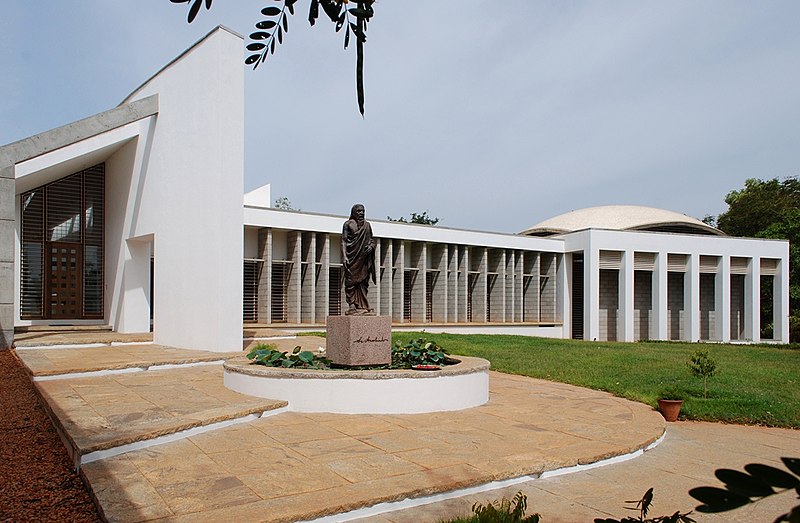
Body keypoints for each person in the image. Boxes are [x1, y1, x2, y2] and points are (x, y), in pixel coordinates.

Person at [341, 204, 376, 314]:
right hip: (352, 257)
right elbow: (344, 241)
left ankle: (362, 305)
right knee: (350, 281)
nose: (361, 213)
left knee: (363, 282)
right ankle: (352, 305)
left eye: (363, 211)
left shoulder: (367, 225)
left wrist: (371, 247)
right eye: (359, 211)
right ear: (353, 212)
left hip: (364, 258)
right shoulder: (348, 224)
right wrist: (344, 256)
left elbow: (371, 240)